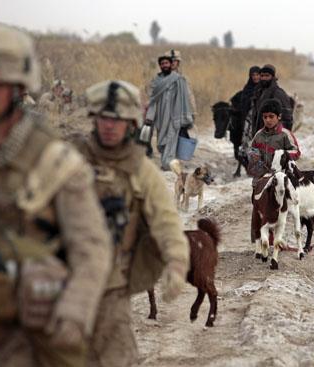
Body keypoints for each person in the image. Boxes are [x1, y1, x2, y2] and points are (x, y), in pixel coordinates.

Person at [0, 21, 112, 366]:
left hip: (26, 335)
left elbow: (92, 248)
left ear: (18, 87)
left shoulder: (55, 161)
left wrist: (73, 312)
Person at [73, 80, 190, 367]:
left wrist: (176, 261)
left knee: (116, 356)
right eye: (104, 118)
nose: (110, 126)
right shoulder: (67, 159)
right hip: (62, 280)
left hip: (112, 283)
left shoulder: (142, 171)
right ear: (94, 119)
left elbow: (166, 220)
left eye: (118, 120)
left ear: (132, 124)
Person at [145, 54, 194, 170]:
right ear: (160, 66)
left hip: (174, 114)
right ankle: (166, 160)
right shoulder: (156, 80)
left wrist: (185, 116)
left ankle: (167, 164)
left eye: (166, 63)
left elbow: (184, 98)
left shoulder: (178, 79)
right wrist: (150, 116)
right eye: (162, 64)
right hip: (161, 115)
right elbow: (153, 100)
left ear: (171, 65)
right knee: (161, 142)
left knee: (171, 138)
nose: (164, 65)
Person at [248, 99, 300, 179]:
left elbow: (296, 152)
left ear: (279, 116)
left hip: (281, 177)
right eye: (265, 117)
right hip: (261, 177)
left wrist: (282, 154)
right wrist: (255, 158)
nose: (268, 120)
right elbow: (252, 150)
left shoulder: (285, 135)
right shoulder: (258, 135)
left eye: (271, 116)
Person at [247, 64, 295, 136]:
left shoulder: (278, 93)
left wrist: (280, 137)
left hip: (273, 137)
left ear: (272, 77)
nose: (264, 78)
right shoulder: (258, 92)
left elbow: (286, 118)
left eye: (267, 76)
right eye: (262, 76)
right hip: (259, 135)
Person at [165, 49, 197, 118]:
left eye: (175, 61)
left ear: (178, 62)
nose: (173, 63)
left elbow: (190, 96)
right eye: (170, 61)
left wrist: (193, 112)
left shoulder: (184, 79)